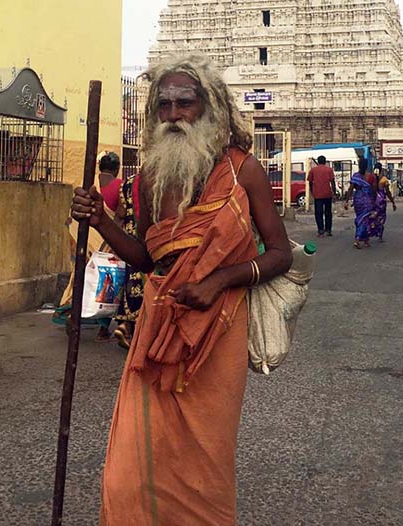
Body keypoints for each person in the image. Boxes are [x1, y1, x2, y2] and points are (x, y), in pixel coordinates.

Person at [71, 53, 292, 525]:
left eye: (184, 104)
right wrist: (99, 221)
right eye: (164, 106)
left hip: (219, 328)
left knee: (203, 460)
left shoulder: (242, 171)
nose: (173, 116)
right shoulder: (151, 176)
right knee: (131, 468)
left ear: (208, 107)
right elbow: (147, 258)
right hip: (159, 323)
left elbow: (279, 254)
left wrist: (217, 282)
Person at [111, 174, 144, 349]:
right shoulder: (156, 179)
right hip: (146, 241)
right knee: (146, 285)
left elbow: (120, 214)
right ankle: (137, 331)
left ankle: (125, 325)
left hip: (128, 241)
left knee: (130, 281)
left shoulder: (128, 183)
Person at [94, 152, 123, 341]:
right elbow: (121, 213)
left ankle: (76, 316)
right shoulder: (120, 187)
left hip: (95, 240)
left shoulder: (92, 184)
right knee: (113, 283)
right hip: (113, 238)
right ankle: (109, 327)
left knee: (95, 281)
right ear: (117, 168)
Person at [344, 158, 377, 249]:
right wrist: (374, 201)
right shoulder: (371, 177)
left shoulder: (356, 176)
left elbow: (350, 189)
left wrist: (346, 201)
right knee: (365, 220)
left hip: (358, 200)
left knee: (361, 219)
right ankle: (357, 239)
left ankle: (366, 240)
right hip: (367, 201)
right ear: (367, 166)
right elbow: (374, 190)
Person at [307, 155, 336, 237]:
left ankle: (320, 230)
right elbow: (332, 182)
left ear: (318, 161)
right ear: (325, 161)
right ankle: (328, 230)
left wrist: (312, 191)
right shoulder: (329, 170)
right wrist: (333, 192)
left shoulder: (313, 170)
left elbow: (310, 182)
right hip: (327, 194)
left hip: (318, 195)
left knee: (318, 213)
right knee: (328, 213)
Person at [369, 164, 396, 242]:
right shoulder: (384, 179)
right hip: (381, 201)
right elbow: (388, 192)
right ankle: (380, 236)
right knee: (381, 217)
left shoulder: (371, 178)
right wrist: (393, 202)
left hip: (373, 200)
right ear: (381, 170)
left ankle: (370, 231)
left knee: (373, 216)